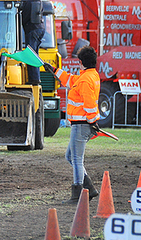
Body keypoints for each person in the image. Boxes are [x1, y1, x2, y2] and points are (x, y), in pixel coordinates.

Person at [43, 45, 100, 204]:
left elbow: (89, 104)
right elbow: (70, 79)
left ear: (81, 62)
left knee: (75, 159)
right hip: (82, 124)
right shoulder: (90, 75)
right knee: (71, 156)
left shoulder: (85, 79)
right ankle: (90, 189)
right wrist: (54, 70)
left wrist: (92, 121)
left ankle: (77, 194)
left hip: (81, 124)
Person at [14, 0, 45, 85]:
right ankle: (35, 78)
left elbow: (24, 16)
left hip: (32, 31)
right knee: (34, 53)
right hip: (39, 30)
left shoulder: (31, 2)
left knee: (30, 54)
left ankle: (34, 79)